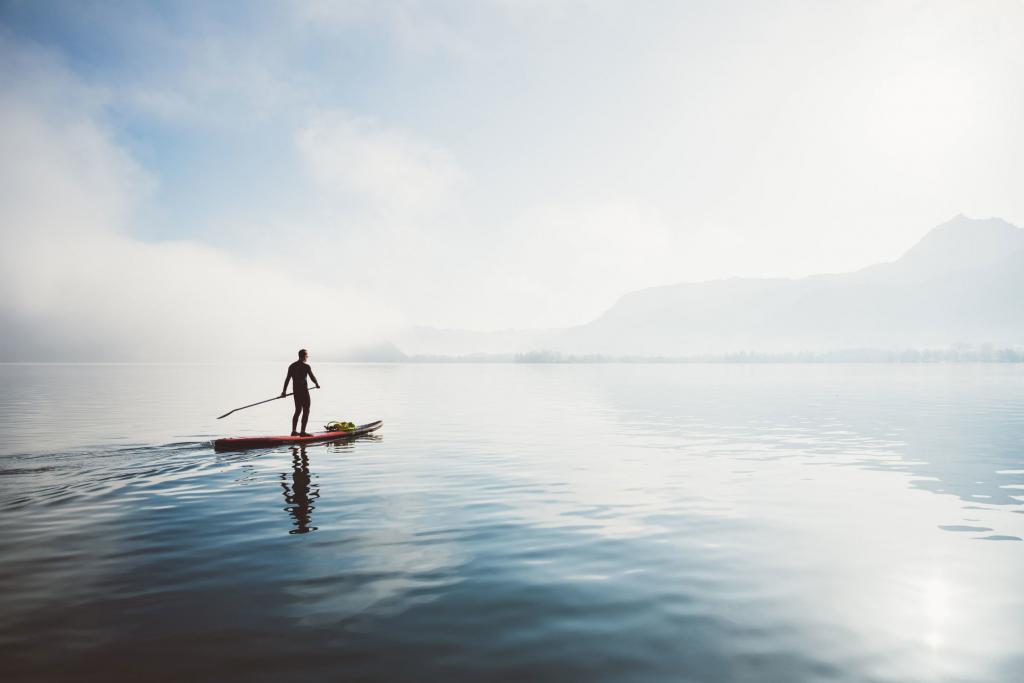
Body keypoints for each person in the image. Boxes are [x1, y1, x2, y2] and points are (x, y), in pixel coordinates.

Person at [281, 349, 320, 436]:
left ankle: (294, 431)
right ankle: (302, 432)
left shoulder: (292, 366)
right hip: (304, 391)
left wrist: (284, 391)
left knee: (298, 410)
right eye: (307, 356)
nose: (307, 357)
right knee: (306, 410)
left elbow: (287, 379)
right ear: (304, 356)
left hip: (296, 392)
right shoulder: (306, 366)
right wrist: (316, 384)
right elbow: (312, 377)